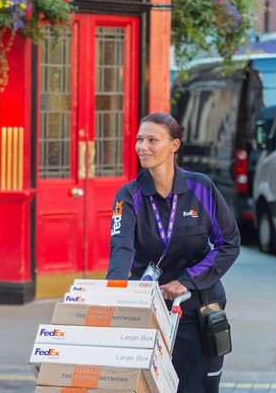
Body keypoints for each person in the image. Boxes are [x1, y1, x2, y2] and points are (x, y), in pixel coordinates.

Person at [106, 112, 240, 393]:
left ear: (174, 146)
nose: (142, 147)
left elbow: (228, 243)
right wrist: (115, 296)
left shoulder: (201, 187)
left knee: (197, 387)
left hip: (199, 307)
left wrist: (187, 281)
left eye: (152, 140)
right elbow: (121, 248)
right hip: (149, 309)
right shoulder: (129, 196)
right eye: (140, 139)